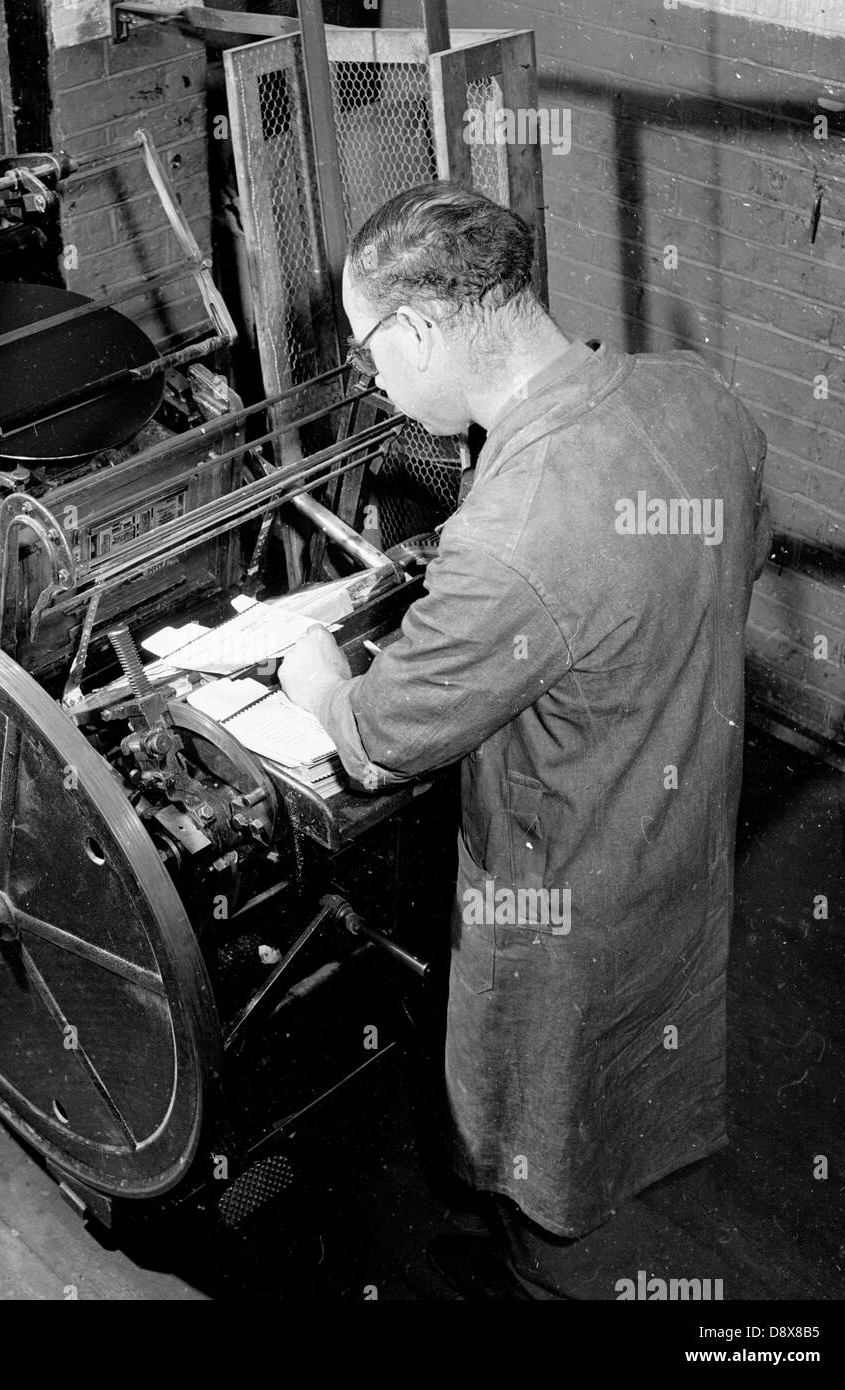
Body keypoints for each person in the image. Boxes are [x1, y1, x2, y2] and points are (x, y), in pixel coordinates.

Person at [278, 182, 772, 1299]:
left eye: (371, 356)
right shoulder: (700, 398)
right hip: (681, 845)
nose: (378, 384)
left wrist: (320, 683)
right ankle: (532, 1253)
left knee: (555, 1143)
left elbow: (382, 740)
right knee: (623, 1094)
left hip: (564, 902)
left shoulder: (509, 541)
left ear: (419, 328)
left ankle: (551, 1281)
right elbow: (724, 560)